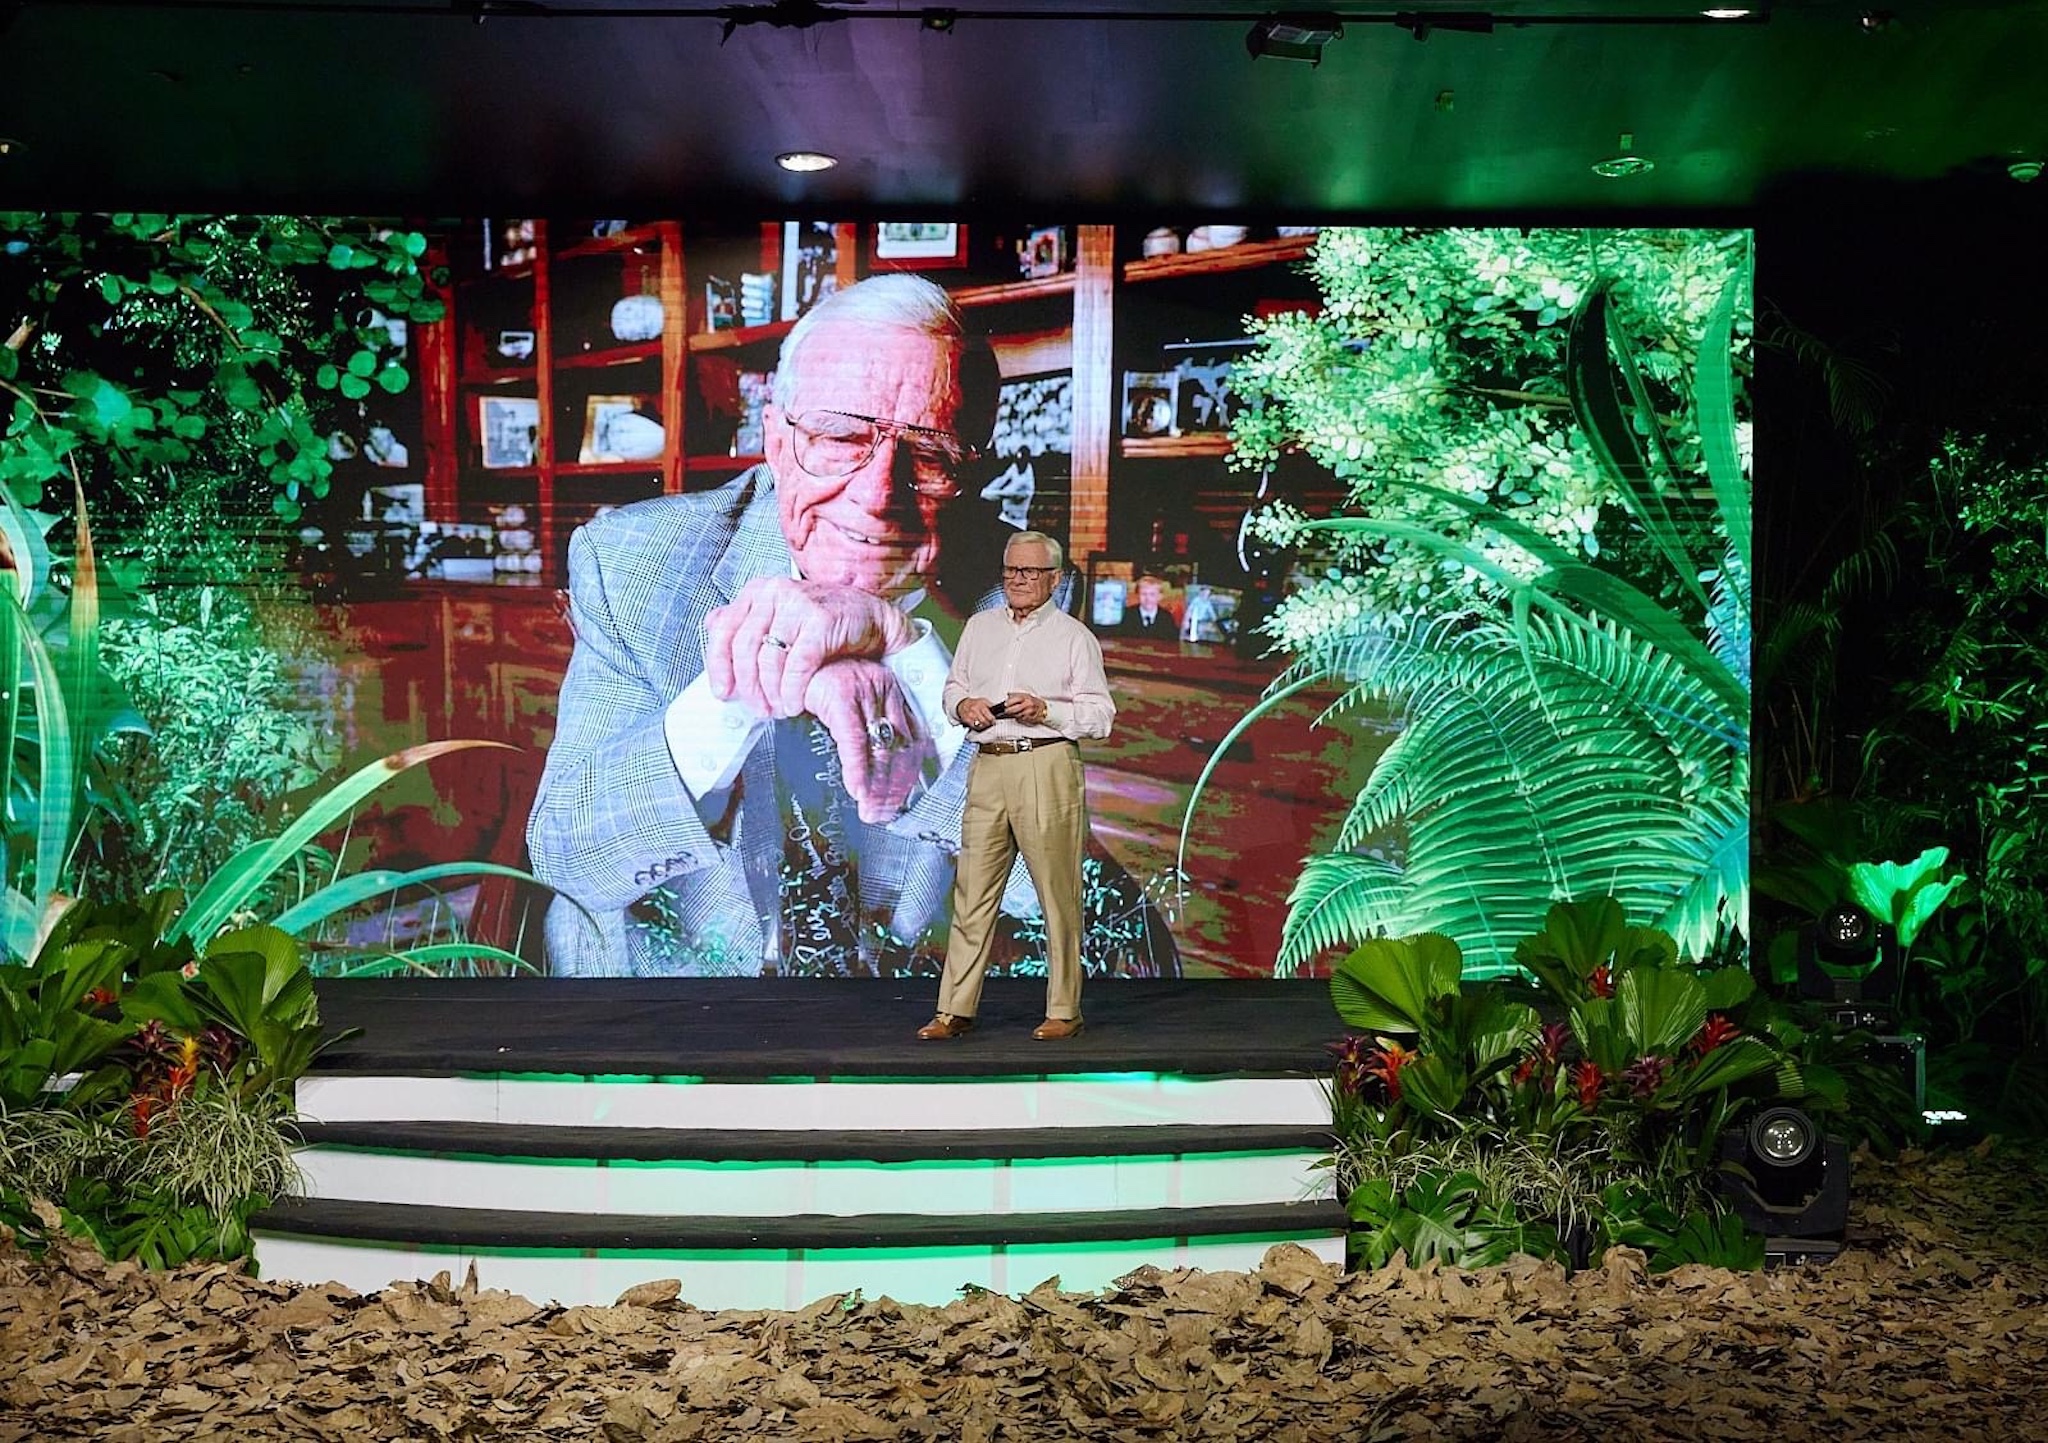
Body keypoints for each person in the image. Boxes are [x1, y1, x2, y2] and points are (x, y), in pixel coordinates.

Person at [527, 273, 1175, 980]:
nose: (876, 496)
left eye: (929, 455)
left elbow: (1089, 910)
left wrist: (910, 656)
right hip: (670, 1005)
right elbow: (568, 855)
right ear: (775, 439)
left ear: (977, 471)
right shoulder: (633, 560)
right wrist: (754, 675)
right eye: (839, 437)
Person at [919, 531, 1110, 1041]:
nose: (1017, 580)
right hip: (987, 765)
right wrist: (964, 706)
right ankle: (954, 1010)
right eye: (1010, 570)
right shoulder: (980, 628)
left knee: (1057, 894)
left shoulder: (1073, 637)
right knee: (972, 892)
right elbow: (954, 688)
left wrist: (1046, 710)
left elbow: (1100, 716)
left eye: (1029, 571)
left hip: (1046, 764)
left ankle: (1064, 1009)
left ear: (1054, 579)